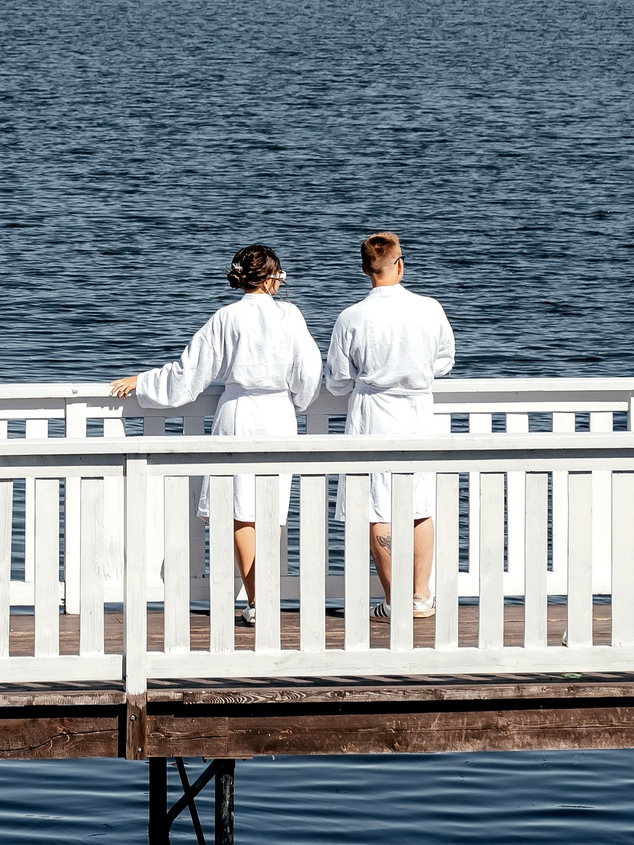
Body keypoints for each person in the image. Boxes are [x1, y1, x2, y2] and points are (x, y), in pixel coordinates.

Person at [109, 244, 321, 624]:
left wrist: (141, 382)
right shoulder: (291, 316)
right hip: (278, 415)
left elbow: (186, 376)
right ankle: (265, 596)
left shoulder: (226, 317)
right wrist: (300, 402)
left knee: (242, 511)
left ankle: (258, 600)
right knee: (271, 512)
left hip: (238, 413)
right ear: (273, 277)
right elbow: (308, 373)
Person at [324, 231, 454, 620]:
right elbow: (445, 361)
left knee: (376, 505)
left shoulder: (352, 317)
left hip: (372, 415)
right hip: (417, 412)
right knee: (421, 503)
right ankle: (421, 596)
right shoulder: (430, 308)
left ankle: (394, 600)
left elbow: (337, 380)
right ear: (400, 263)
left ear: (365, 269)